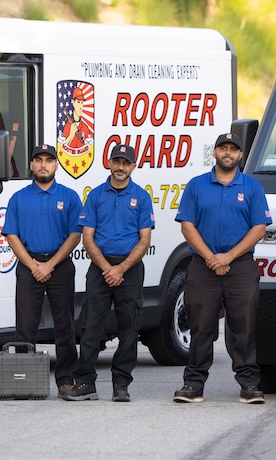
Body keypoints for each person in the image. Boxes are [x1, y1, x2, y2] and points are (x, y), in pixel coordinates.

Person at [173, 133, 271, 404]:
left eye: (233, 149)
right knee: (200, 327)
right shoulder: (196, 185)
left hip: (240, 267)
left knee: (244, 327)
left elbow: (259, 228)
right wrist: (211, 257)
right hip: (203, 267)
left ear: (240, 155)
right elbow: (187, 225)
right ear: (214, 152)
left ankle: (249, 385)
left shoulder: (251, 187)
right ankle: (193, 385)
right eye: (223, 148)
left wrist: (228, 256)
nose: (228, 153)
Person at [61, 144, 154, 402]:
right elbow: (87, 237)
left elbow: (144, 240)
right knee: (91, 326)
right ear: (109, 163)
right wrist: (107, 269)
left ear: (133, 166)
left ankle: (121, 383)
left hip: (130, 269)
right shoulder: (96, 196)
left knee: (129, 328)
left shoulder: (142, 197)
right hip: (100, 269)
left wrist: (121, 269)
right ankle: (85, 383)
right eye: (117, 161)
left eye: (126, 162)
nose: (121, 167)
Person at [2, 144, 82, 397]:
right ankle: (23, 380)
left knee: (65, 325)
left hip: (59, 266)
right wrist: (34, 265)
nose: (44, 165)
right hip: (28, 266)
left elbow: (75, 235)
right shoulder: (19, 198)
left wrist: (50, 264)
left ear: (57, 165)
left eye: (49, 160)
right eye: (39, 160)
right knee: (25, 327)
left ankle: (66, 379)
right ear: (32, 165)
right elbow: (11, 235)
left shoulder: (69, 196)